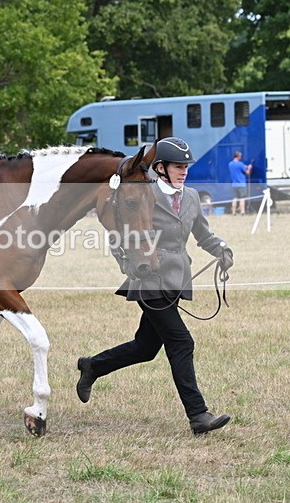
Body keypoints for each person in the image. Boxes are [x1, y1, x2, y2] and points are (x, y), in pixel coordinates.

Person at [76, 137, 234, 435]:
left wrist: (222, 250)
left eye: (185, 166)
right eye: (177, 166)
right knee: (181, 342)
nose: (183, 171)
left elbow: (203, 234)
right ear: (160, 168)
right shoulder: (142, 195)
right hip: (148, 279)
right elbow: (118, 235)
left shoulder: (192, 198)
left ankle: (93, 366)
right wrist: (129, 265)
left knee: (146, 347)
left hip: (177, 279)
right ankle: (198, 415)